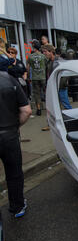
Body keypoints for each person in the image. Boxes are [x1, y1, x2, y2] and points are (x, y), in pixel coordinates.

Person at [0, 70, 32, 217]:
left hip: (9, 132)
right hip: (9, 135)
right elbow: (26, 111)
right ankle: (17, 206)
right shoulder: (9, 80)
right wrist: (15, 126)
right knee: (14, 173)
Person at [27, 40, 47, 116]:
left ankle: (38, 109)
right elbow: (46, 65)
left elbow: (28, 68)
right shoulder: (43, 56)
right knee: (46, 92)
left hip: (35, 77)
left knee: (37, 94)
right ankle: (49, 106)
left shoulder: (30, 56)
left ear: (33, 47)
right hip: (43, 77)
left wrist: (29, 77)